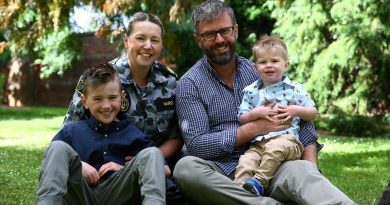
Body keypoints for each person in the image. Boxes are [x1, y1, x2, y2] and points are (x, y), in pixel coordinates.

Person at [173, 1, 356, 204]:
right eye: (209, 34)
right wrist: (253, 129)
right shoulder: (189, 84)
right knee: (185, 169)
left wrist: (311, 164)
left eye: (224, 31)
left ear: (235, 30)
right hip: (220, 175)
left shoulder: (260, 69)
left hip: (272, 162)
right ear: (198, 39)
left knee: (304, 170)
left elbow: (298, 111)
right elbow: (198, 145)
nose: (219, 39)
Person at [63, 12, 183, 178]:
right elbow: (69, 129)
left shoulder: (171, 83)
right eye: (140, 38)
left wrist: (146, 160)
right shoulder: (99, 79)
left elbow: (177, 136)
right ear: (126, 41)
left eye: (154, 40)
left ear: (161, 44)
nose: (148, 45)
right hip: (105, 169)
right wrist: (80, 164)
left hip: (154, 168)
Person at [36, 63, 166, 205]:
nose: (106, 106)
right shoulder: (72, 132)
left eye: (112, 98)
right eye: (98, 99)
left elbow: (165, 170)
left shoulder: (133, 133)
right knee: (57, 147)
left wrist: (126, 169)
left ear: (122, 98)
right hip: (81, 195)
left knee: (152, 153)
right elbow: (52, 162)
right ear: (85, 102)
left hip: (119, 195)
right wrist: (80, 165)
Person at [234, 34, 317, 196]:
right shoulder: (250, 92)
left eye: (274, 61)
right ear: (255, 67)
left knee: (274, 148)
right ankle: (238, 192)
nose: (269, 65)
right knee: (245, 161)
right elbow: (242, 118)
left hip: (288, 141)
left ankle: (259, 182)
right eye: (263, 62)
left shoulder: (294, 89)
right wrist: (255, 113)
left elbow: (313, 113)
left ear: (286, 65)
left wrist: (297, 111)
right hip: (258, 144)